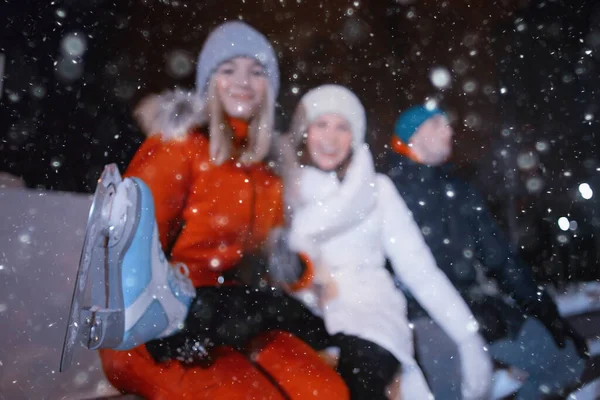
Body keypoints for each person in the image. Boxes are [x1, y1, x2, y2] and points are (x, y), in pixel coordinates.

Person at [83, 21, 348, 399]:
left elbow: (261, 259)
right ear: (209, 80)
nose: (243, 80)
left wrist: (290, 267)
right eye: (228, 70)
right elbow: (121, 251)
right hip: (152, 328)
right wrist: (171, 319)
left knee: (325, 391)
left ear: (268, 87)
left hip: (226, 318)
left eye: (256, 72)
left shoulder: (264, 171)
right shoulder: (178, 148)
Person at [278, 84, 492, 400]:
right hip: (304, 317)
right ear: (304, 133)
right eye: (321, 124)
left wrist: (467, 336)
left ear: (355, 136)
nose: (331, 138)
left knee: (358, 382)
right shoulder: (283, 194)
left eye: (342, 127)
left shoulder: (378, 190)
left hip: (372, 316)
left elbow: (420, 272)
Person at [386, 104, 590, 399]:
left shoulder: (458, 191)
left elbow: (502, 260)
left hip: (476, 309)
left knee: (565, 361)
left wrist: (547, 314)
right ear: (412, 137)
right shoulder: (388, 192)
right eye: (436, 125)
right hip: (422, 320)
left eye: (447, 123)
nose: (449, 130)